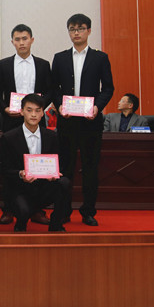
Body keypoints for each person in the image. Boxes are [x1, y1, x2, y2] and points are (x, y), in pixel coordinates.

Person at [51, 13, 114, 226]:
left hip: (90, 122)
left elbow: (108, 88)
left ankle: (88, 211)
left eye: (80, 28)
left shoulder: (100, 58)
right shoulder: (60, 58)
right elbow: (54, 88)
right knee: (65, 168)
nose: (76, 32)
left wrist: (97, 107)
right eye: (72, 29)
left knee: (90, 168)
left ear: (89, 31)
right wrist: (60, 105)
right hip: (67, 121)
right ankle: (64, 210)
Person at [0, 24, 53, 226]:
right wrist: (5, 109)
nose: (21, 43)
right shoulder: (3, 65)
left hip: (36, 119)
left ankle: (37, 209)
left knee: (37, 162)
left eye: (25, 38)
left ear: (32, 40)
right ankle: (8, 209)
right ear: (12, 42)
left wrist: (39, 107)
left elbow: (50, 90)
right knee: (10, 165)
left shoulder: (43, 64)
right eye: (17, 39)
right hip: (11, 119)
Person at [0, 94, 70, 233]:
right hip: (20, 188)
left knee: (64, 183)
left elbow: (59, 163)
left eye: (38, 111)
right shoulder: (9, 137)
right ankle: (20, 224)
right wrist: (20, 174)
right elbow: (4, 169)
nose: (33, 115)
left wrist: (54, 173)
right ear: (21, 111)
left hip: (43, 186)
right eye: (29, 110)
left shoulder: (51, 136)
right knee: (23, 212)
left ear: (42, 113)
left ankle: (56, 225)